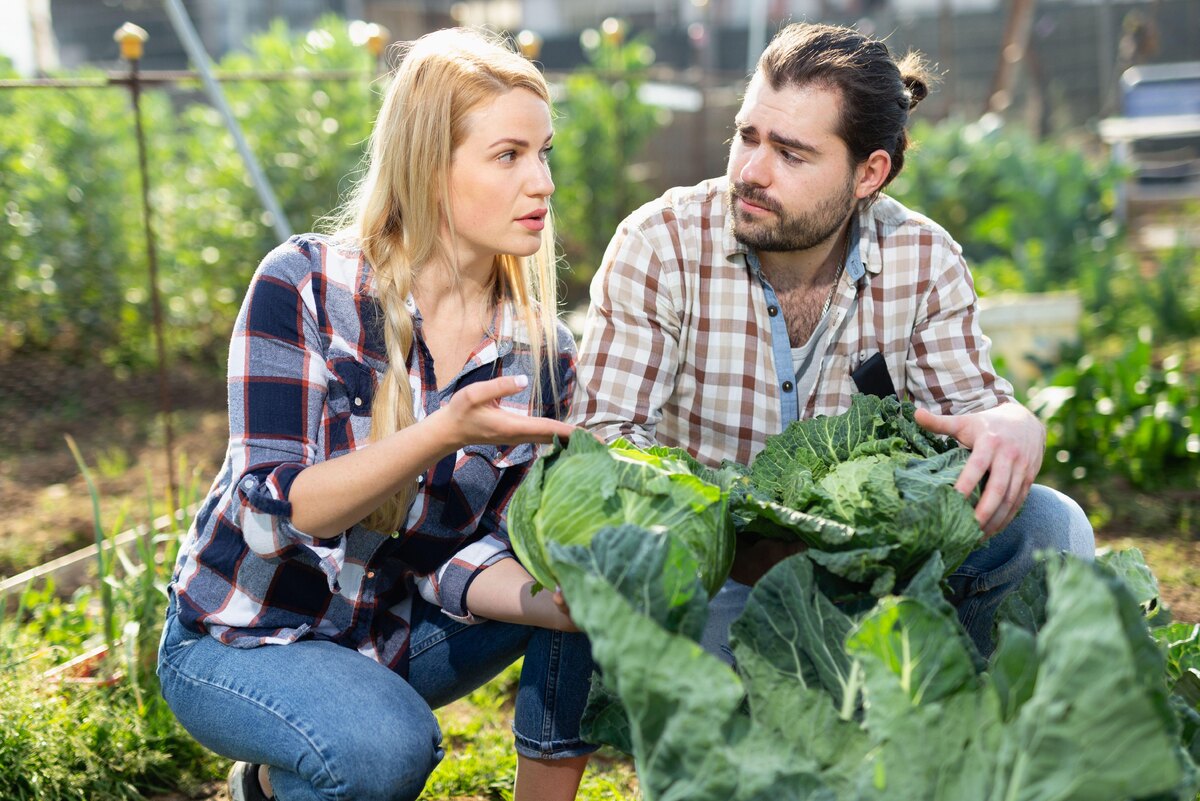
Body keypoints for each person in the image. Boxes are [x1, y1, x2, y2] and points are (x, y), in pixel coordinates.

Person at [157, 29, 596, 801]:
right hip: (244, 631)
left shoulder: (539, 351)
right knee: (385, 751)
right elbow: (275, 512)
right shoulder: (305, 287)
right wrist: (441, 432)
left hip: (389, 633)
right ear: (430, 167)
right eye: (508, 155)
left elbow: (463, 558)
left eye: (544, 152)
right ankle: (288, 768)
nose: (543, 182)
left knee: (590, 574)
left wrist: (555, 603)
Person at [568, 22, 1094, 657]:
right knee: (737, 723)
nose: (752, 172)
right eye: (747, 137)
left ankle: (989, 731)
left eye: (791, 153)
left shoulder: (922, 258)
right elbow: (604, 442)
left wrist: (1015, 421)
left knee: (1052, 523)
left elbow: (973, 416)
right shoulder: (660, 244)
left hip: (874, 580)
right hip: (703, 578)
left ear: (869, 173)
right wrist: (735, 533)